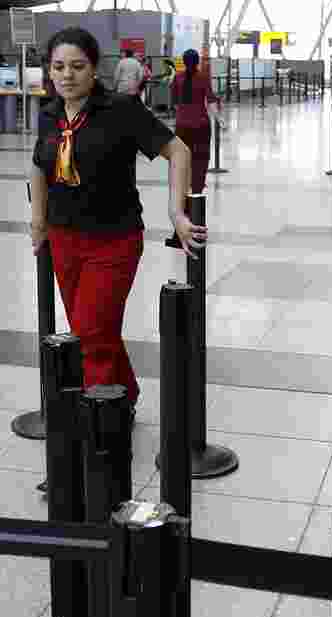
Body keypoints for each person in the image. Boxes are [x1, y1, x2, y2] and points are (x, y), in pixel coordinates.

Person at [29, 27, 204, 492]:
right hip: (65, 241)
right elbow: (38, 165)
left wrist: (176, 211)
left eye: (77, 66)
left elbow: (178, 149)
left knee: (88, 334)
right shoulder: (48, 115)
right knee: (97, 331)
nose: (67, 75)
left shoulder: (120, 110)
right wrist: (37, 221)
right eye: (58, 67)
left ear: (95, 68)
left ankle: (96, 441)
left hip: (113, 241)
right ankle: (123, 394)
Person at [172, 49, 222, 194]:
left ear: (184, 61)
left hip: (182, 125)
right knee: (201, 156)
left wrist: (183, 113)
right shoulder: (203, 77)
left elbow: (174, 102)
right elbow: (211, 100)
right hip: (201, 124)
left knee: (182, 156)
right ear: (197, 62)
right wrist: (219, 118)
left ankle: (183, 183)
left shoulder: (178, 77)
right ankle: (198, 185)